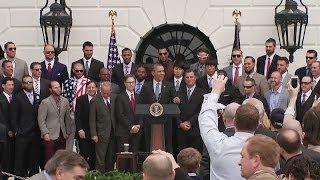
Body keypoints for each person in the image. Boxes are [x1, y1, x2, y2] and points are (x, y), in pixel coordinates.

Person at [199, 74, 260, 180]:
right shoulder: (267, 150)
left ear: (234, 122)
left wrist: (215, 92)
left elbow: (205, 119)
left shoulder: (219, 144)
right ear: (258, 124)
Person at [139, 63, 179, 153]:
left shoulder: (169, 85)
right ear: (153, 73)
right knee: (150, 144)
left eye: (163, 71)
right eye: (159, 71)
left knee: (167, 144)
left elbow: (175, 98)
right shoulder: (146, 86)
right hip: (149, 122)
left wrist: (176, 99)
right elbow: (141, 104)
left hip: (165, 122)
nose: (162, 73)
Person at [12, 75, 41, 177]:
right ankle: (20, 177)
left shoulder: (38, 96)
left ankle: (34, 177)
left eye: (30, 82)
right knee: (20, 159)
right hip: (22, 133)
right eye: (26, 82)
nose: (29, 84)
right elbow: (14, 115)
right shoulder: (17, 97)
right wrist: (16, 130)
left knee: (34, 159)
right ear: (22, 84)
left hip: (35, 133)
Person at [38, 81, 72, 163]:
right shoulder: (45, 102)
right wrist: (45, 133)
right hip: (50, 135)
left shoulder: (65, 101)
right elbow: (41, 119)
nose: (58, 89)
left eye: (59, 87)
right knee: (50, 159)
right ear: (50, 89)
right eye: (55, 87)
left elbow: (67, 117)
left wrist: (67, 131)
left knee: (61, 159)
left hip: (62, 134)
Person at [89, 81, 117, 172]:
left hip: (113, 132)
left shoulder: (114, 97)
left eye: (108, 92)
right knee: (100, 158)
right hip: (101, 134)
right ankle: (100, 176)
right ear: (100, 90)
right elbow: (92, 119)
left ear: (111, 90)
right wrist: (94, 134)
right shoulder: (95, 100)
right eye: (104, 93)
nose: (106, 94)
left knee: (111, 158)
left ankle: (110, 175)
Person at [63, 62, 90, 150]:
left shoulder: (88, 82)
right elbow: (65, 97)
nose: (79, 72)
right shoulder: (67, 82)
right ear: (73, 70)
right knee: (69, 137)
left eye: (81, 71)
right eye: (77, 70)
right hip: (71, 113)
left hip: (83, 114)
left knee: (82, 138)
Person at [177, 69, 205, 153]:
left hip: (195, 129)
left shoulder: (202, 93)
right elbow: (175, 110)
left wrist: (190, 122)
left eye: (191, 77)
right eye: (187, 77)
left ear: (195, 78)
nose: (189, 79)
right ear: (184, 79)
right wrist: (180, 123)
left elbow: (201, 110)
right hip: (181, 130)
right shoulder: (178, 93)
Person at [115, 74, 142, 153]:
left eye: (133, 82)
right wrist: (131, 127)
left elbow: (141, 113)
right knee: (124, 157)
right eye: (129, 82)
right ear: (125, 83)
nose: (131, 84)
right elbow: (120, 114)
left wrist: (139, 125)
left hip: (136, 132)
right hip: (124, 132)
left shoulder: (138, 97)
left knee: (134, 156)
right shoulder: (120, 97)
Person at [75, 81, 98, 169]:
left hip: (96, 133)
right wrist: (80, 129)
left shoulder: (100, 99)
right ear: (86, 89)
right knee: (83, 155)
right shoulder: (81, 99)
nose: (91, 89)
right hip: (84, 132)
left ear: (96, 88)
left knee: (94, 156)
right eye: (89, 87)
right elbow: (77, 116)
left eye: (93, 87)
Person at [0, 77, 16, 179]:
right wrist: (8, 129)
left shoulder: (16, 98)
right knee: (4, 158)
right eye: (9, 85)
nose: (11, 87)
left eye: (12, 85)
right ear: (3, 86)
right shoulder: (0, 99)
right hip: (3, 135)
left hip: (16, 134)